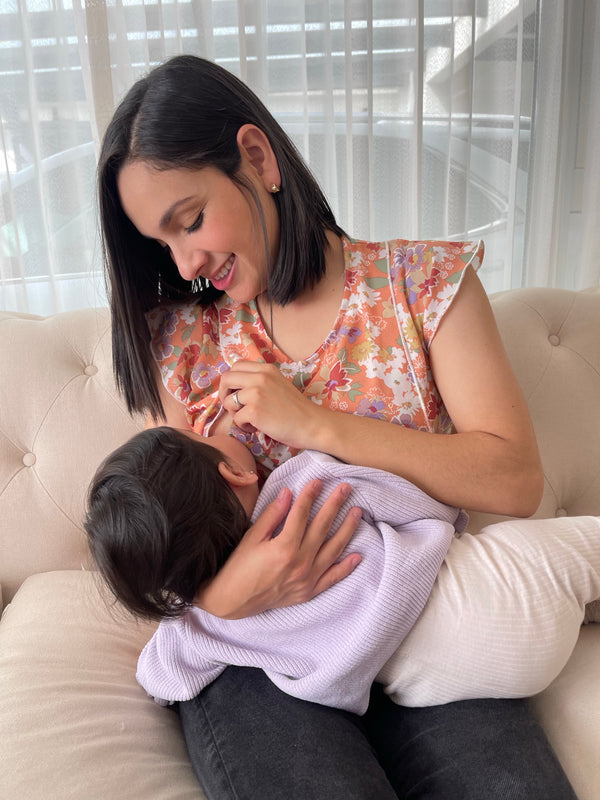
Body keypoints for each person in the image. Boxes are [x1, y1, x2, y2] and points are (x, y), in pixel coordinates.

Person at [97, 53, 577, 799]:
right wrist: (221, 605)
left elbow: (515, 480)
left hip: (423, 617)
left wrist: (317, 425)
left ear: (257, 159)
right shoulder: (180, 339)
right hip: (259, 652)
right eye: (163, 245)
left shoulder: (424, 286)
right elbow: (171, 538)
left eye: (189, 221)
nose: (186, 262)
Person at [85, 424, 600, 713]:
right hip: (492, 591)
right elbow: (426, 505)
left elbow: (159, 676)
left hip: (434, 683)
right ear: (236, 471)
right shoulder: (305, 485)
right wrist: (447, 522)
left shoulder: (203, 626)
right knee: (583, 548)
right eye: (203, 434)